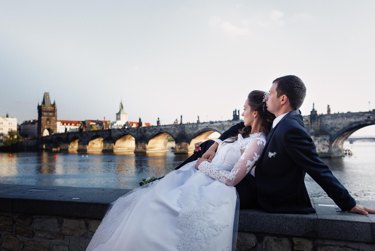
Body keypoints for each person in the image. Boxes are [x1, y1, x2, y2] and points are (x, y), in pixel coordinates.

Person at [86, 90, 275, 251]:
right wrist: (211, 148)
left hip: (213, 183)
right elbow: (226, 140)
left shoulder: (257, 141)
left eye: (244, 109)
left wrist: (202, 165)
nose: (242, 114)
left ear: (255, 113)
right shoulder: (242, 131)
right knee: (148, 200)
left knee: (158, 208)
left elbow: (232, 177)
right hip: (202, 177)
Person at [193, 75, 375, 215]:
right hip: (253, 184)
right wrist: (214, 145)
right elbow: (241, 124)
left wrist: (348, 203)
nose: (266, 98)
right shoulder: (280, 119)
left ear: (283, 99)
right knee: (206, 147)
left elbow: (318, 168)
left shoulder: (291, 129)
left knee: (198, 191)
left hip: (269, 197)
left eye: (270, 94)